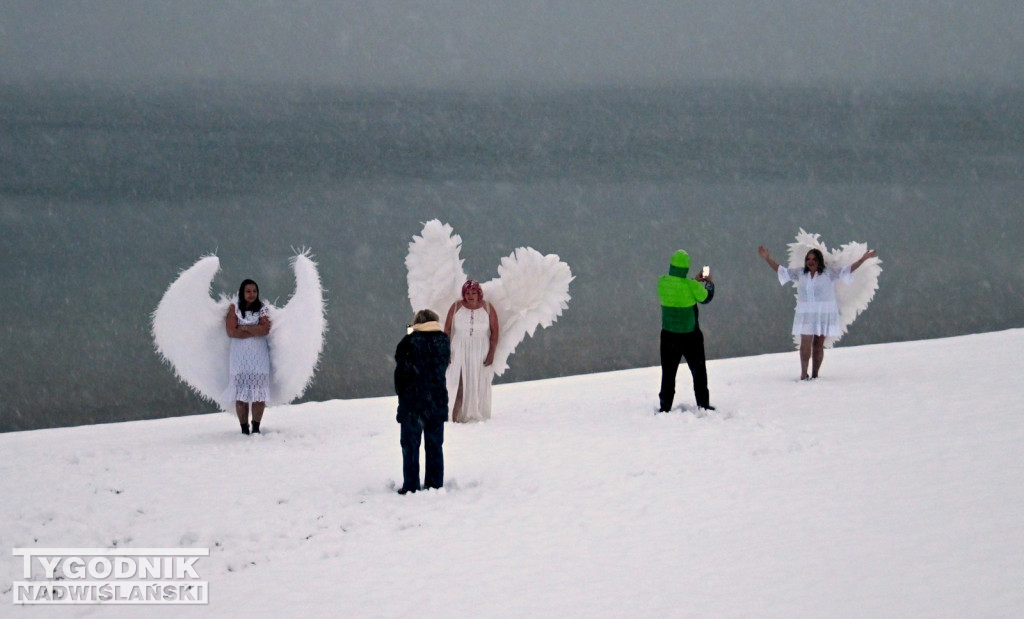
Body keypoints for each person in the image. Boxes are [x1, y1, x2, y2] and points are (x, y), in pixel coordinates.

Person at [758, 245, 878, 380]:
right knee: (805, 342)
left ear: (819, 261)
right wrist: (768, 259)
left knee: (818, 344)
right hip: (806, 312)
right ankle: (804, 374)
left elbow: (848, 270)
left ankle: (815, 374)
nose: (811, 261)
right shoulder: (800, 273)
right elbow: (782, 271)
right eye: (808, 259)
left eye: (814, 259)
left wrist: (863, 259)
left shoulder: (829, 273)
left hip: (824, 312)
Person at [394, 309, 451, 494]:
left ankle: (411, 485)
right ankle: (434, 483)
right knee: (434, 445)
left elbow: (400, 372)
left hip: (413, 403)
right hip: (437, 400)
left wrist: (402, 394)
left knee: (410, 446)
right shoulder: (443, 341)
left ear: (416, 323)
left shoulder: (409, 342)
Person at [658, 250, 716, 412]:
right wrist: (709, 283)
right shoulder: (691, 287)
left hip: (668, 335)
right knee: (699, 373)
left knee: (668, 373)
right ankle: (703, 404)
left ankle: (665, 405)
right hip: (690, 336)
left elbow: (678, 284)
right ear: (686, 268)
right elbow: (706, 298)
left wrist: (693, 280)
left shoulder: (662, 282)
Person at [444, 280, 499, 423]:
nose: (470, 296)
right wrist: (446, 350)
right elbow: (447, 330)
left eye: (473, 292)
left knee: (478, 380)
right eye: (467, 293)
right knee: (460, 381)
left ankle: (477, 412)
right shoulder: (456, 306)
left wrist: (492, 352)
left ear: (479, 293)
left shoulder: (488, 307)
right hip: (460, 348)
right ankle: (455, 416)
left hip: (481, 349)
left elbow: (495, 332)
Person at [225, 279, 272, 434]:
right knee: (241, 395)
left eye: (254, 291)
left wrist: (244, 327)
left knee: (259, 394)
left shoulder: (262, 308)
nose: (252, 294)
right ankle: (244, 429)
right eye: (248, 291)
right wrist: (254, 330)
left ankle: (256, 427)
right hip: (239, 357)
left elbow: (265, 329)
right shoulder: (234, 308)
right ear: (242, 292)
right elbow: (232, 331)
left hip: (259, 357)